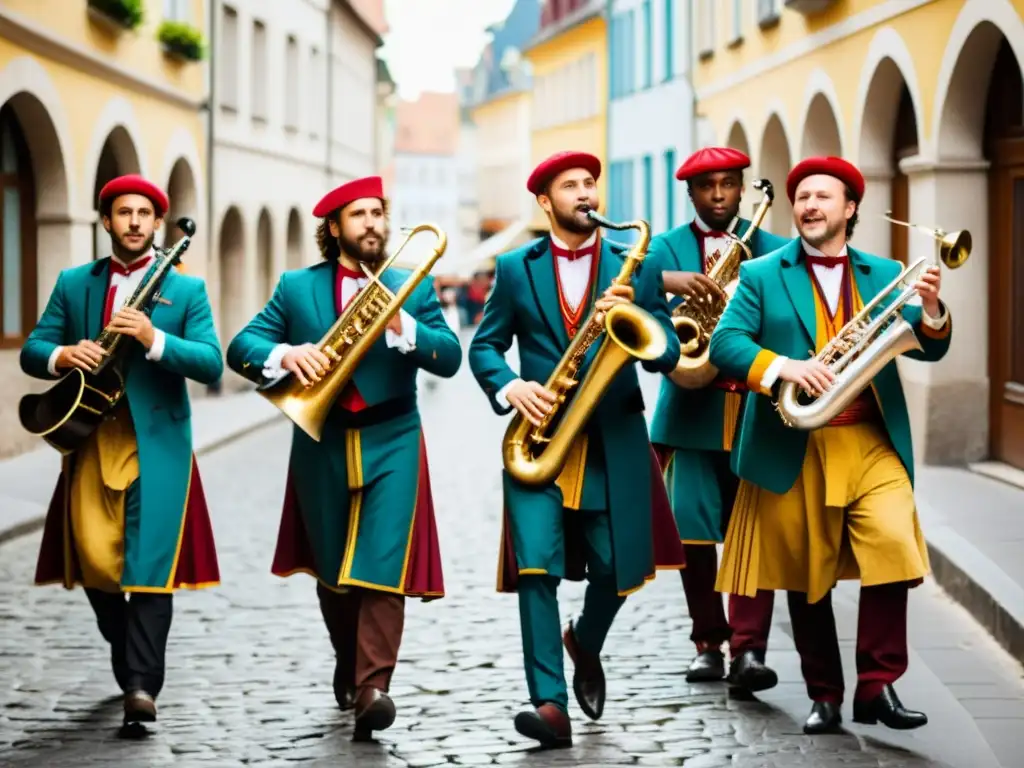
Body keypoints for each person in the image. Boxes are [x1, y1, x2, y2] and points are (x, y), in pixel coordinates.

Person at [708, 156, 950, 734]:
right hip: (797, 440)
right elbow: (725, 345)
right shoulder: (764, 272)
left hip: (870, 439)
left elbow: (930, 345)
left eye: (823, 196)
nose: (810, 205)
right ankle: (825, 694)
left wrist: (935, 311)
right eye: (803, 197)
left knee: (894, 545)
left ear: (850, 208)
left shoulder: (886, 270)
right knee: (807, 574)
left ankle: (878, 683)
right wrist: (785, 366)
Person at [226, 176, 461, 740]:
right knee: (334, 573)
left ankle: (373, 686)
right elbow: (241, 348)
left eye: (378, 213)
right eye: (359, 215)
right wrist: (286, 352)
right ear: (334, 228)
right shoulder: (296, 288)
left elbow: (450, 357)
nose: (373, 224)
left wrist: (406, 327)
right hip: (322, 439)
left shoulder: (412, 284)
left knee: (383, 567)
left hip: (394, 435)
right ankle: (350, 661)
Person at [468, 151, 686, 749]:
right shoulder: (514, 267)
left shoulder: (634, 264)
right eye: (572, 185)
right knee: (535, 568)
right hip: (540, 441)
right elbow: (484, 348)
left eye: (591, 183)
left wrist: (640, 319)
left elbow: (667, 348)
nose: (586, 193)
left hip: (613, 437)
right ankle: (549, 705)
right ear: (546, 201)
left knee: (618, 565)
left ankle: (585, 644)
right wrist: (510, 385)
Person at [21, 174, 223, 725]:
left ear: (158, 224)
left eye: (144, 213)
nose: (134, 221)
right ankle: (128, 652)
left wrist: (152, 339)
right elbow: (33, 350)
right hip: (89, 439)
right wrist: (64, 355)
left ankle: (141, 687)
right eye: (122, 212)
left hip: (156, 443)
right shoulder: (73, 282)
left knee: (151, 567)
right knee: (94, 564)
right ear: (106, 221)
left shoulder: (186, 289)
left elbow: (210, 362)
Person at [647, 147, 789, 691]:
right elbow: (632, 304)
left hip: (755, 408)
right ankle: (708, 641)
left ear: (741, 188)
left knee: (754, 532)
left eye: (729, 185)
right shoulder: (664, 250)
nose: (719, 196)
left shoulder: (774, 251)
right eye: (708, 187)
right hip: (690, 411)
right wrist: (667, 283)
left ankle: (750, 650)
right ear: (691, 193)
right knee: (694, 532)